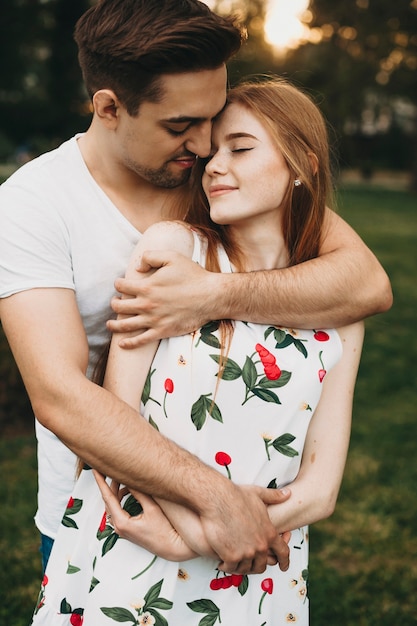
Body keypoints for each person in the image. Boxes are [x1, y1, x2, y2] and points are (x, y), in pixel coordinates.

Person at [0, 0, 391, 575]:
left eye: (213, 117)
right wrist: (214, 500)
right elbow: (61, 395)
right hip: (110, 518)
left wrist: (213, 294)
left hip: (254, 515)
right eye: (180, 125)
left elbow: (366, 282)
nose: (207, 145)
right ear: (109, 107)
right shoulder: (33, 207)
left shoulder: (218, 183)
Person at [31, 77, 364, 626]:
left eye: (241, 148)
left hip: (260, 566)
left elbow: (322, 488)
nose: (213, 165)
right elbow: (117, 419)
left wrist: (216, 536)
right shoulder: (173, 249)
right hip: (142, 545)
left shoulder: (335, 303)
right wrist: (192, 534)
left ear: (301, 165)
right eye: (213, 152)